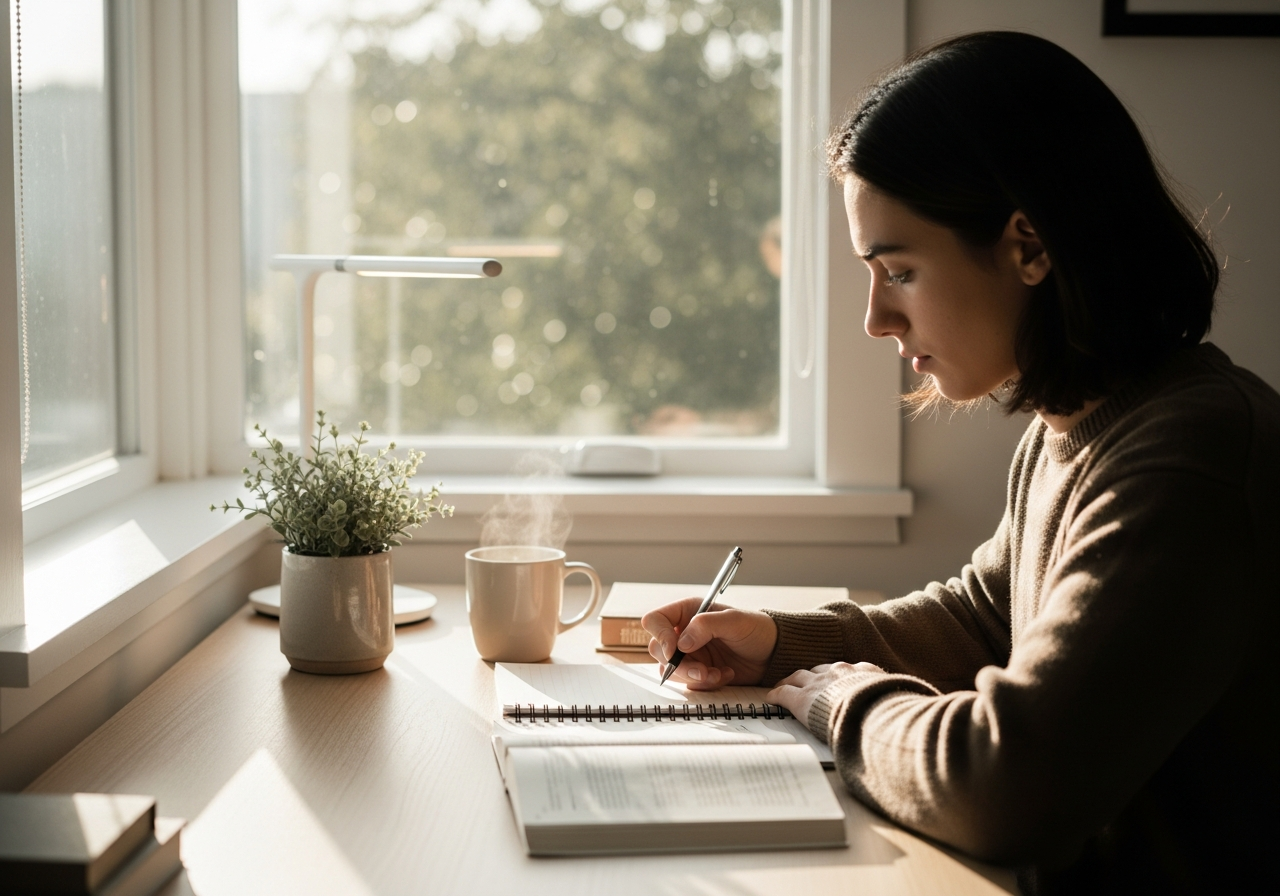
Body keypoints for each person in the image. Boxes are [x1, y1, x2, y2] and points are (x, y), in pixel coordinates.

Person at [642, 31, 1278, 895]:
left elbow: (1007, 785)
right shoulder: (1077, 430)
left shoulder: (1189, 461)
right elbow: (985, 618)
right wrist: (784, 646)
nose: (875, 318)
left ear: (1028, 246)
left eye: (897, 270)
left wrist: (839, 700)